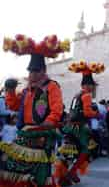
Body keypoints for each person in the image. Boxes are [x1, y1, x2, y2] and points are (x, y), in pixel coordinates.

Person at [0, 34, 68, 187]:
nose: (32, 74)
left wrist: (46, 125)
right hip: (25, 132)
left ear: (43, 71)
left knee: (40, 172)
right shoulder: (26, 90)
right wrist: (10, 91)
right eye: (30, 71)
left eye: (36, 71)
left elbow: (56, 108)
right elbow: (15, 106)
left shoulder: (52, 86)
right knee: (14, 167)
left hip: (42, 133)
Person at [54, 60, 103, 186]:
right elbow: (87, 113)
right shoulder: (86, 95)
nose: (93, 88)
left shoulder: (77, 95)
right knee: (85, 151)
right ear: (89, 85)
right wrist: (97, 114)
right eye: (92, 85)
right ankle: (72, 172)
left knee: (68, 153)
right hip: (80, 128)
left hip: (70, 127)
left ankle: (64, 176)